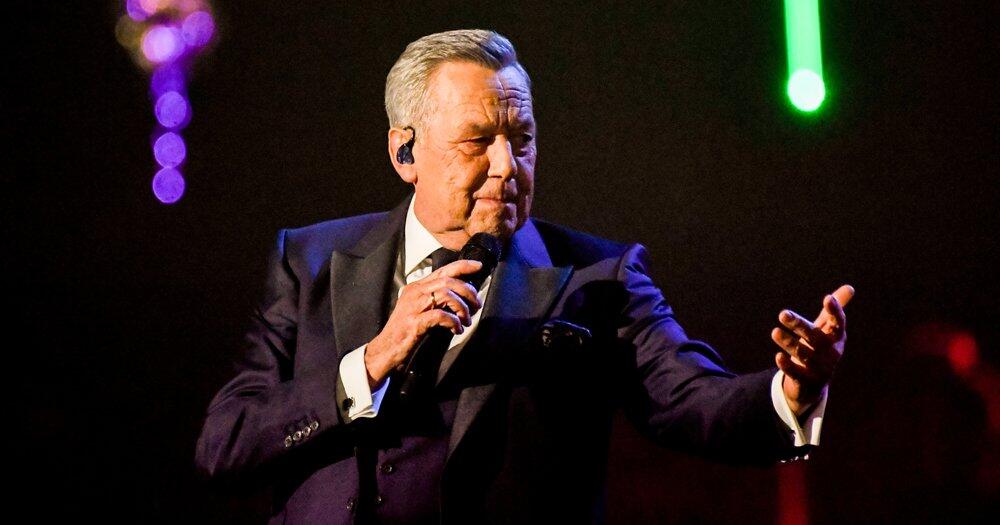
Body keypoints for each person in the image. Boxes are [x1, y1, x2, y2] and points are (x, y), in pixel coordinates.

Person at [195, 29, 853, 524]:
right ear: (405, 151)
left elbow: (694, 400)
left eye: (523, 138)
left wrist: (793, 391)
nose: (509, 165)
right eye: (477, 140)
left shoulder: (597, 277)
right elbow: (225, 445)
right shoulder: (308, 259)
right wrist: (367, 364)